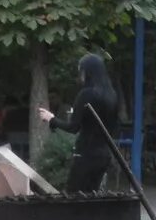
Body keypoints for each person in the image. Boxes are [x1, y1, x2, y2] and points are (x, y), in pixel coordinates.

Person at [40, 52, 121, 192]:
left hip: (85, 153)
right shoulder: (112, 95)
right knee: (91, 197)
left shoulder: (86, 94)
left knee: (74, 196)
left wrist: (52, 119)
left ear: (87, 72)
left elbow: (73, 127)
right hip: (104, 154)